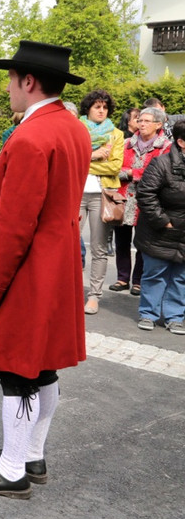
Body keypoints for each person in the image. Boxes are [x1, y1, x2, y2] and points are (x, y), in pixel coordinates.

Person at [0, 40, 90, 499]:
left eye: (11, 79)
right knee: (43, 366)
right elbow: (47, 195)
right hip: (57, 262)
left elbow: (15, 226)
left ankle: (13, 469)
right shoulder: (71, 127)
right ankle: (31, 453)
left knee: (16, 370)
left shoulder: (30, 136)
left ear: (28, 81)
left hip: (29, 268)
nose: (8, 88)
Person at [133, 119, 185, 335]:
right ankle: (148, 313)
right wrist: (163, 221)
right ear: (181, 142)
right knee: (155, 274)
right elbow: (145, 194)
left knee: (181, 278)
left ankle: (175, 317)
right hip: (160, 231)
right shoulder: (161, 163)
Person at [112, 107, 169, 295]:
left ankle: (138, 280)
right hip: (123, 198)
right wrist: (132, 173)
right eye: (140, 120)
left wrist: (131, 172)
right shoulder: (126, 143)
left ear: (158, 124)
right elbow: (114, 168)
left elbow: (161, 174)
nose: (141, 124)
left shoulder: (165, 146)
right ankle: (122, 278)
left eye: (146, 121)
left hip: (149, 200)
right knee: (121, 241)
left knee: (143, 243)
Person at [78, 89, 124, 315]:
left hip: (102, 195)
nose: (101, 111)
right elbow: (69, 159)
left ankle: (94, 295)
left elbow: (115, 166)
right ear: (88, 108)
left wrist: (84, 159)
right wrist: (94, 155)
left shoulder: (116, 134)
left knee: (99, 248)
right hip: (75, 193)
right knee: (67, 244)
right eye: (97, 107)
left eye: (105, 107)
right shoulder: (76, 129)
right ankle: (67, 290)